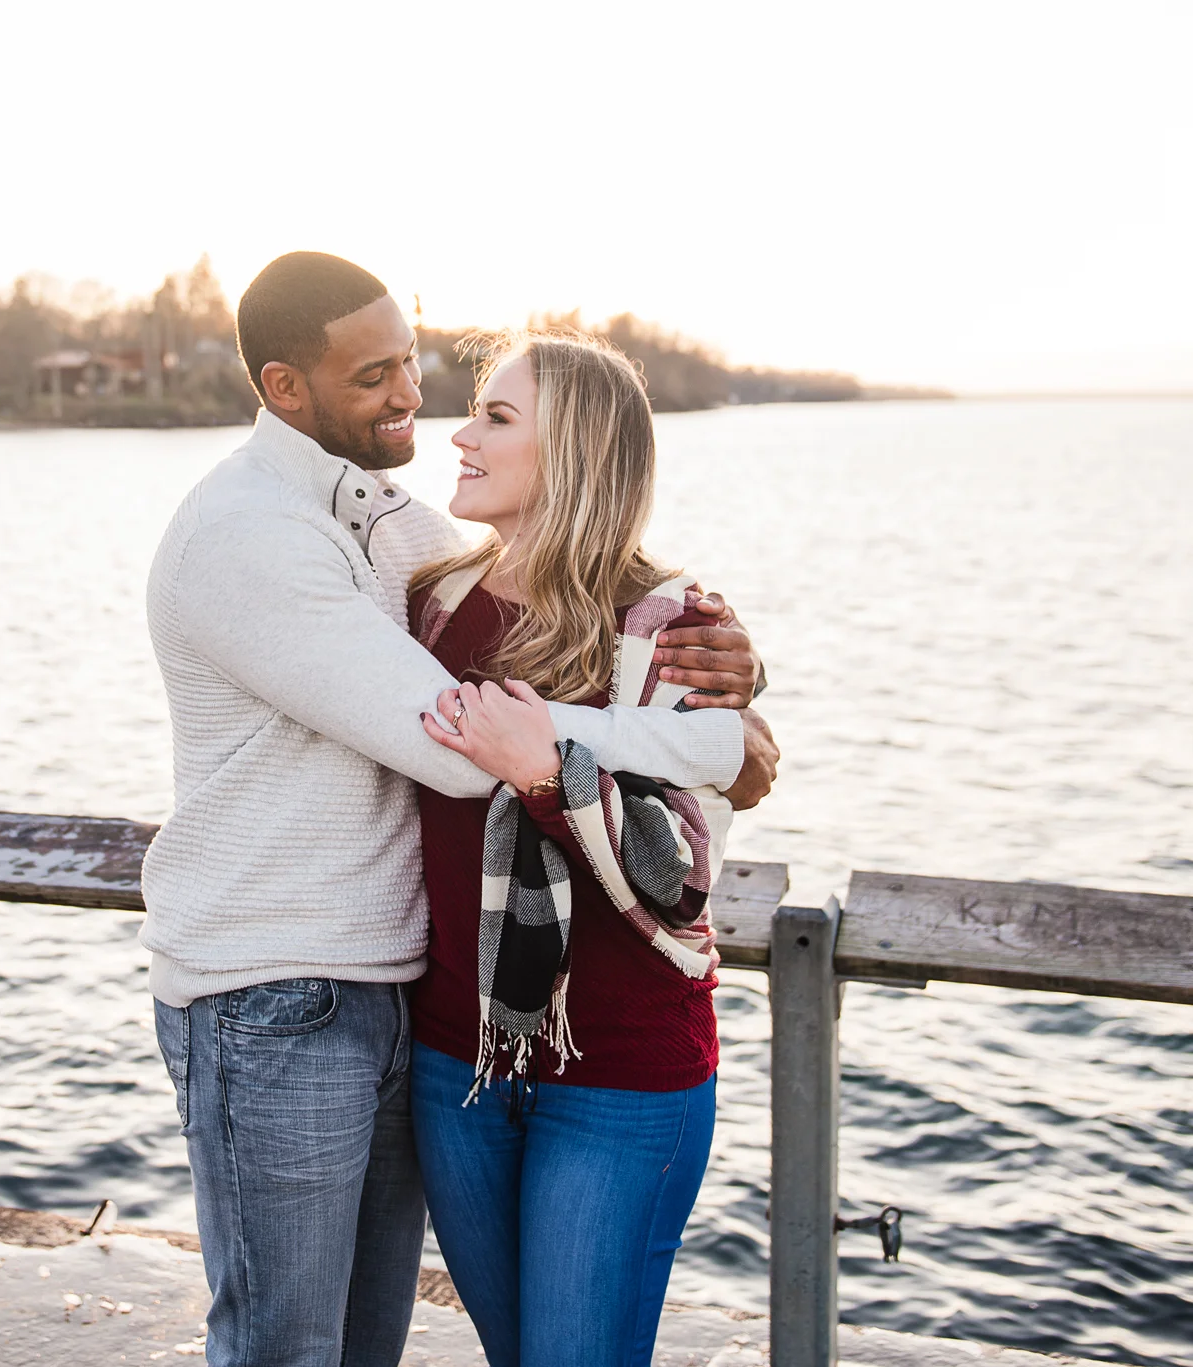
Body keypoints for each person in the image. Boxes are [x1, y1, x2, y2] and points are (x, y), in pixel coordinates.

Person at [140, 252, 779, 1367]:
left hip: (441, 1012)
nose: (417, 404)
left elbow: (557, 590)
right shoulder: (253, 535)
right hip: (282, 992)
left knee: (367, 1343)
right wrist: (705, 745)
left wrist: (733, 713)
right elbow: (460, 748)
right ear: (286, 388)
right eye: (375, 374)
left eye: (415, 365)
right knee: (287, 1346)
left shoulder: (401, 534)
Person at [406, 332, 745, 1367]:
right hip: (453, 1064)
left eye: (496, 417)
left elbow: (685, 866)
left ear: (579, 452)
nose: (458, 433)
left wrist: (547, 767)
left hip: (621, 1081)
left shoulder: (666, 622)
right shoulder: (432, 604)